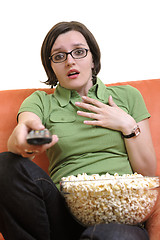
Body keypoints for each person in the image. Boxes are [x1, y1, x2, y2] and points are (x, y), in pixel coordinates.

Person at [0, 21, 157, 240]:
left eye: (79, 52)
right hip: (61, 216)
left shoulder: (127, 97)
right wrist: (28, 138)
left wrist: (127, 125)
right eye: (59, 56)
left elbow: (149, 174)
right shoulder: (42, 102)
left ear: (93, 58)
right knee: (5, 164)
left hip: (118, 214)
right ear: (51, 66)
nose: (70, 61)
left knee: (108, 235)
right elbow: (25, 129)